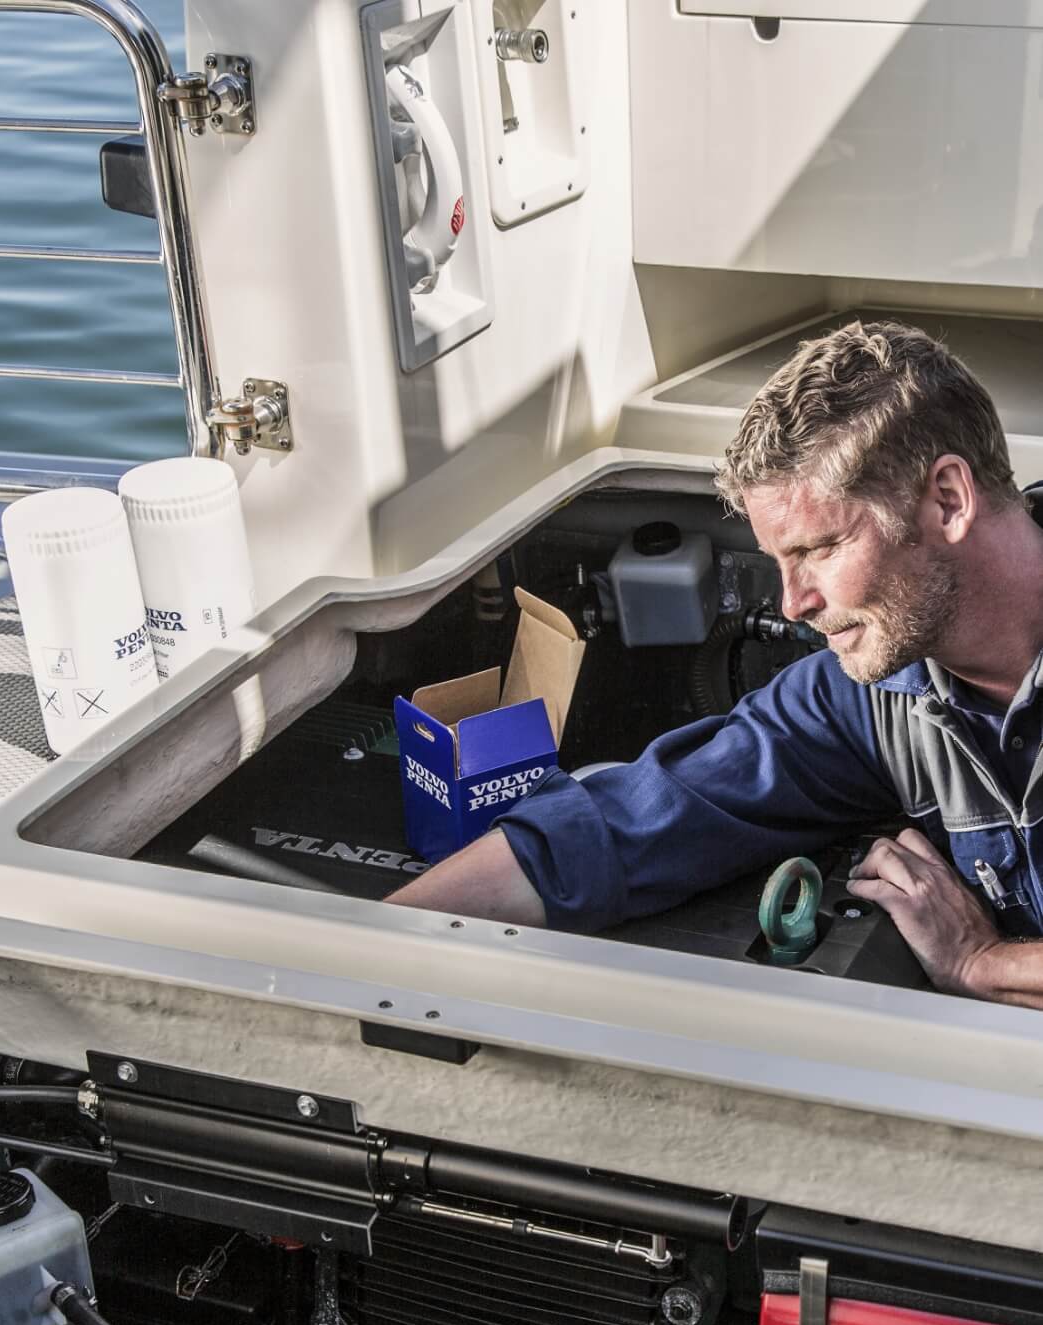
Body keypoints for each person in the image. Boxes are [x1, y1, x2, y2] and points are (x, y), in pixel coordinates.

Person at [387, 318, 1043, 1008]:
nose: (793, 604)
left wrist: (982, 963)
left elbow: (981, 966)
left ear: (948, 500)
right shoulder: (872, 694)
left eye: (819, 549)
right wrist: (381, 938)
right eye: (779, 561)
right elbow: (638, 820)